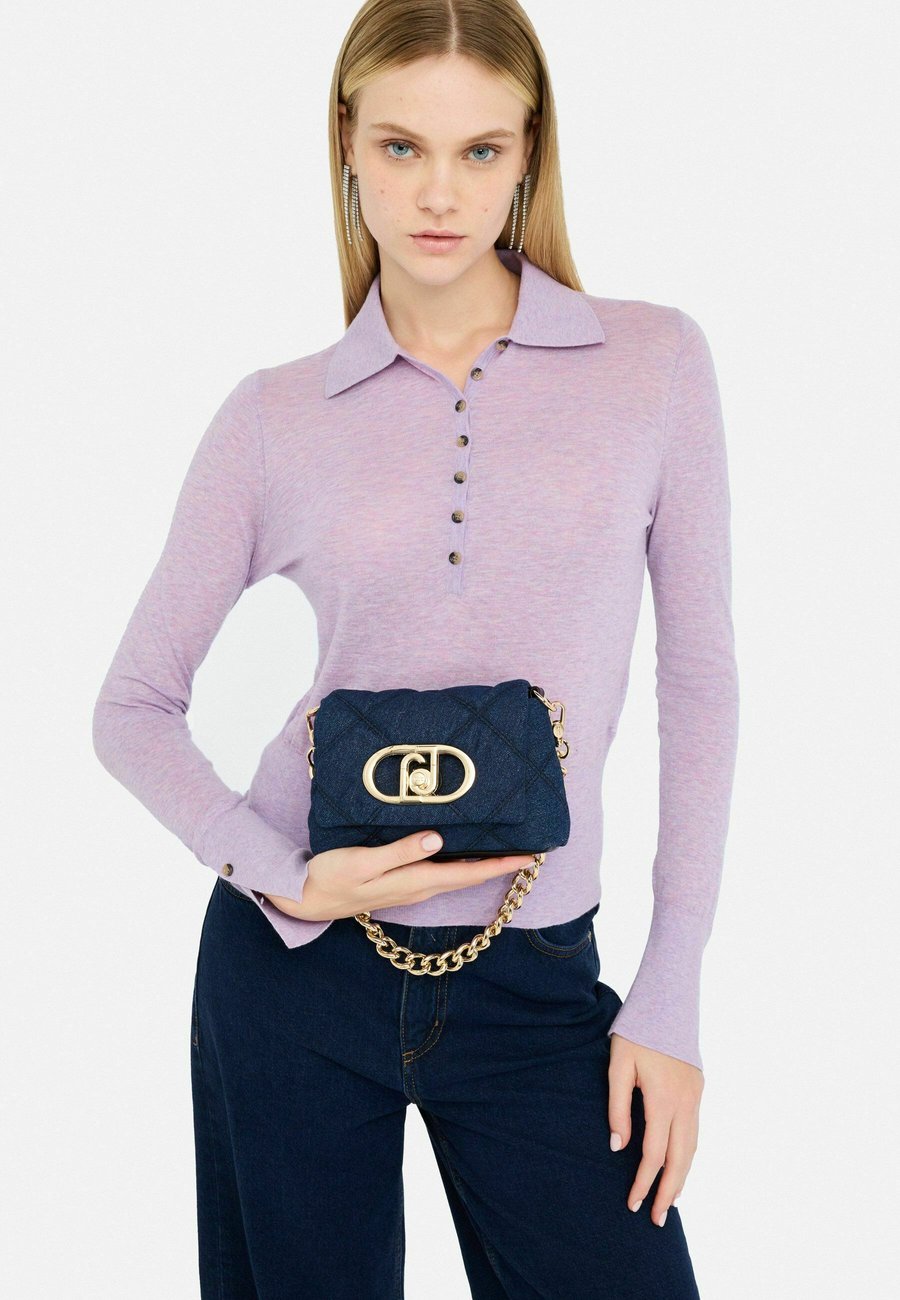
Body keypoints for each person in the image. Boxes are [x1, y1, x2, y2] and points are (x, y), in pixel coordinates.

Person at [92, 2, 739, 1295]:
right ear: (345, 142)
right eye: (401, 147)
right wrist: (285, 878)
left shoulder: (653, 364)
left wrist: (670, 995)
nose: (440, 193)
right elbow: (133, 707)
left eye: (480, 150)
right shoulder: (274, 416)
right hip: (294, 978)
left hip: (538, 974)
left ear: (530, 152)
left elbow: (701, 682)